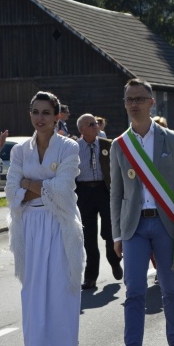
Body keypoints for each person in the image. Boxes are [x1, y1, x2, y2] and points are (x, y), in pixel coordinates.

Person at [109, 78, 174, 346]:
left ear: (151, 102)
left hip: (167, 225)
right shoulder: (120, 145)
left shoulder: (172, 139)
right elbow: (116, 194)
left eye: (139, 98)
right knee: (133, 292)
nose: (134, 104)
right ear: (125, 104)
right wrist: (117, 235)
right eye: (129, 99)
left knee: (171, 289)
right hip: (134, 227)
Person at [6, 91, 84, 346]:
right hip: (29, 226)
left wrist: (28, 184)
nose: (40, 118)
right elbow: (11, 192)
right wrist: (37, 185)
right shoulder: (19, 151)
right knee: (34, 294)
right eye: (35, 112)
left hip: (59, 224)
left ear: (56, 117)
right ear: (30, 115)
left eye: (46, 113)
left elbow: (63, 189)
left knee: (60, 291)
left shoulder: (68, 147)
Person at [75, 113, 122, 290]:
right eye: (90, 125)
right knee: (88, 237)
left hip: (104, 190)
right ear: (81, 130)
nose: (96, 127)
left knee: (110, 232)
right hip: (84, 192)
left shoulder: (106, 145)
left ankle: (114, 261)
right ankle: (91, 277)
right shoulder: (75, 148)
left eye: (95, 124)